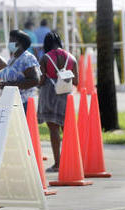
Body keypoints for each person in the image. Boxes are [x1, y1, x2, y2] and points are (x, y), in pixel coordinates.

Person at [37, 31, 78, 172]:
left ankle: (58, 163)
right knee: (67, 129)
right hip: (66, 94)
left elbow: (41, 80)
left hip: (49, 93)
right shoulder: (71, 58)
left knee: (53, 129)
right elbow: (77, 81)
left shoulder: (45, 58)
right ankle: (72, 161)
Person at [0, 30, 41, 113]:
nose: (9, 43)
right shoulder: (13, 58)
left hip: (24, 103)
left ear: (19, 43)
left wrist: (11, 85)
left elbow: (35, 80)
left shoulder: (27, 58)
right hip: (12, 102)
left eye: (11, 41)